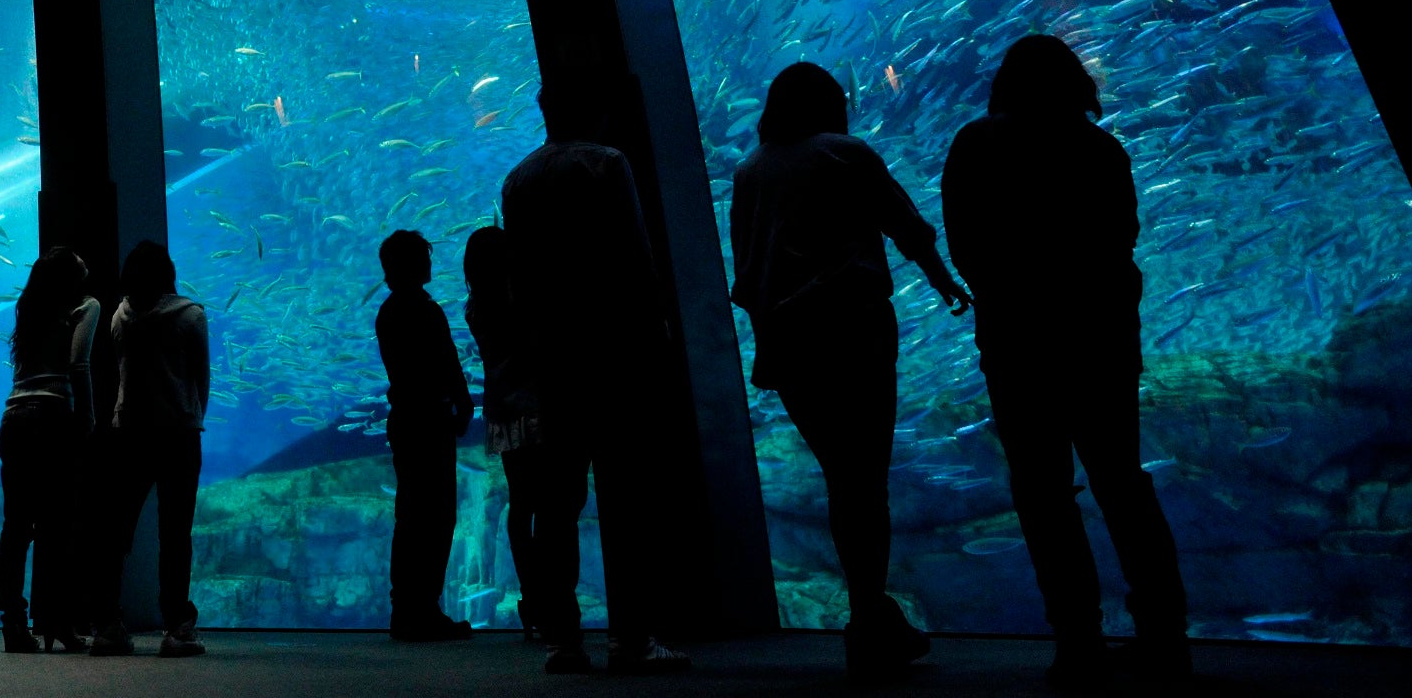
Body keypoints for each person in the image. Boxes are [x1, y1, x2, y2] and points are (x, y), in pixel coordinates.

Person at [941, 35, 1188, 688]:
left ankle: (1078, 640)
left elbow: (964, 243)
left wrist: (1010, 293)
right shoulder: (1100, 147)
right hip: (1100, 341)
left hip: (1018, 345)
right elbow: (1121, 236)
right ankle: (1165, 635)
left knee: (1043, 493)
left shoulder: (975, 144)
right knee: (1122, 483)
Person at [727, 62, 971, 682]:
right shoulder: (845, 154)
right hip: (853, 333)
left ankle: (871, 614)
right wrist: (946, 283)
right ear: (828, 105)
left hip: (788, 348)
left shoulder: (750, 170)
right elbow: (906, 228)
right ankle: (869, 618)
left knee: (843, 477)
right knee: (866, 479)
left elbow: (749, 271)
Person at [500, 82, 689, 676]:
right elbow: (635, 253)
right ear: (595, 109)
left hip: (552, 359)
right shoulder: (606, 163)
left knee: (556, 503)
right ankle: (632, 638)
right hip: (613, 352)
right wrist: (656, 333)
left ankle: (564, 640)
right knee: (626, 497)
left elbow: (519, 280)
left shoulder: (519, 179)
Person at [90, 240, 208, 659]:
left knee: (115, 532)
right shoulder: (191, 315)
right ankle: (177, 627)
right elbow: (201, 376)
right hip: (178, 434)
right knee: (175, 534)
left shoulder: (119, 316)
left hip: (128, 434)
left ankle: (108, 624)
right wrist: (192, 414)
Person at [0, 245, 99, 654]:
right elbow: (79, 364)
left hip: (15, 419)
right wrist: (87, 418)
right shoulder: (86, 306)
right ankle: (59, 623)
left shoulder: (30, 312)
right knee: (57, 526)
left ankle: (14, 625)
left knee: (17, 527)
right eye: (81, 264)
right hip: (54, 416)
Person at [374, 229, 474, 641]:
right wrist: (462, 403)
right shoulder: (424, 310)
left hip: (404, 421)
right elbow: (446, 364)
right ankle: (425, 609)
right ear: (414, 264)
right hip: (428, 423)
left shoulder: (387, 311)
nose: (431, 262)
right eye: (425, 256)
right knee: (436, 515)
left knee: (411, 516)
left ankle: (406, 610)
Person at [462, 225, 541, 641]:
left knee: (522, 505)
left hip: (501, 411)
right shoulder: (518, 302)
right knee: (547, 504)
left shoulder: (474, 307)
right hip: (534, 407)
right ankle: (548, 596)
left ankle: (532, 597)